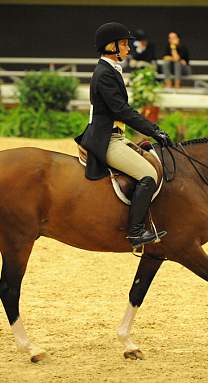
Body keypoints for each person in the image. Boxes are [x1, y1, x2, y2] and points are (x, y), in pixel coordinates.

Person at [75, 22, 173, 249]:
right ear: (111, 46)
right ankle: (136, 232)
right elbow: (121, 111)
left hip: (116, 136)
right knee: (148, 175)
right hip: (106, 139)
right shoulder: (104, 74)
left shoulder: (110, 70)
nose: (129, 49)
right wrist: (154, 129)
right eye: (124, 44)